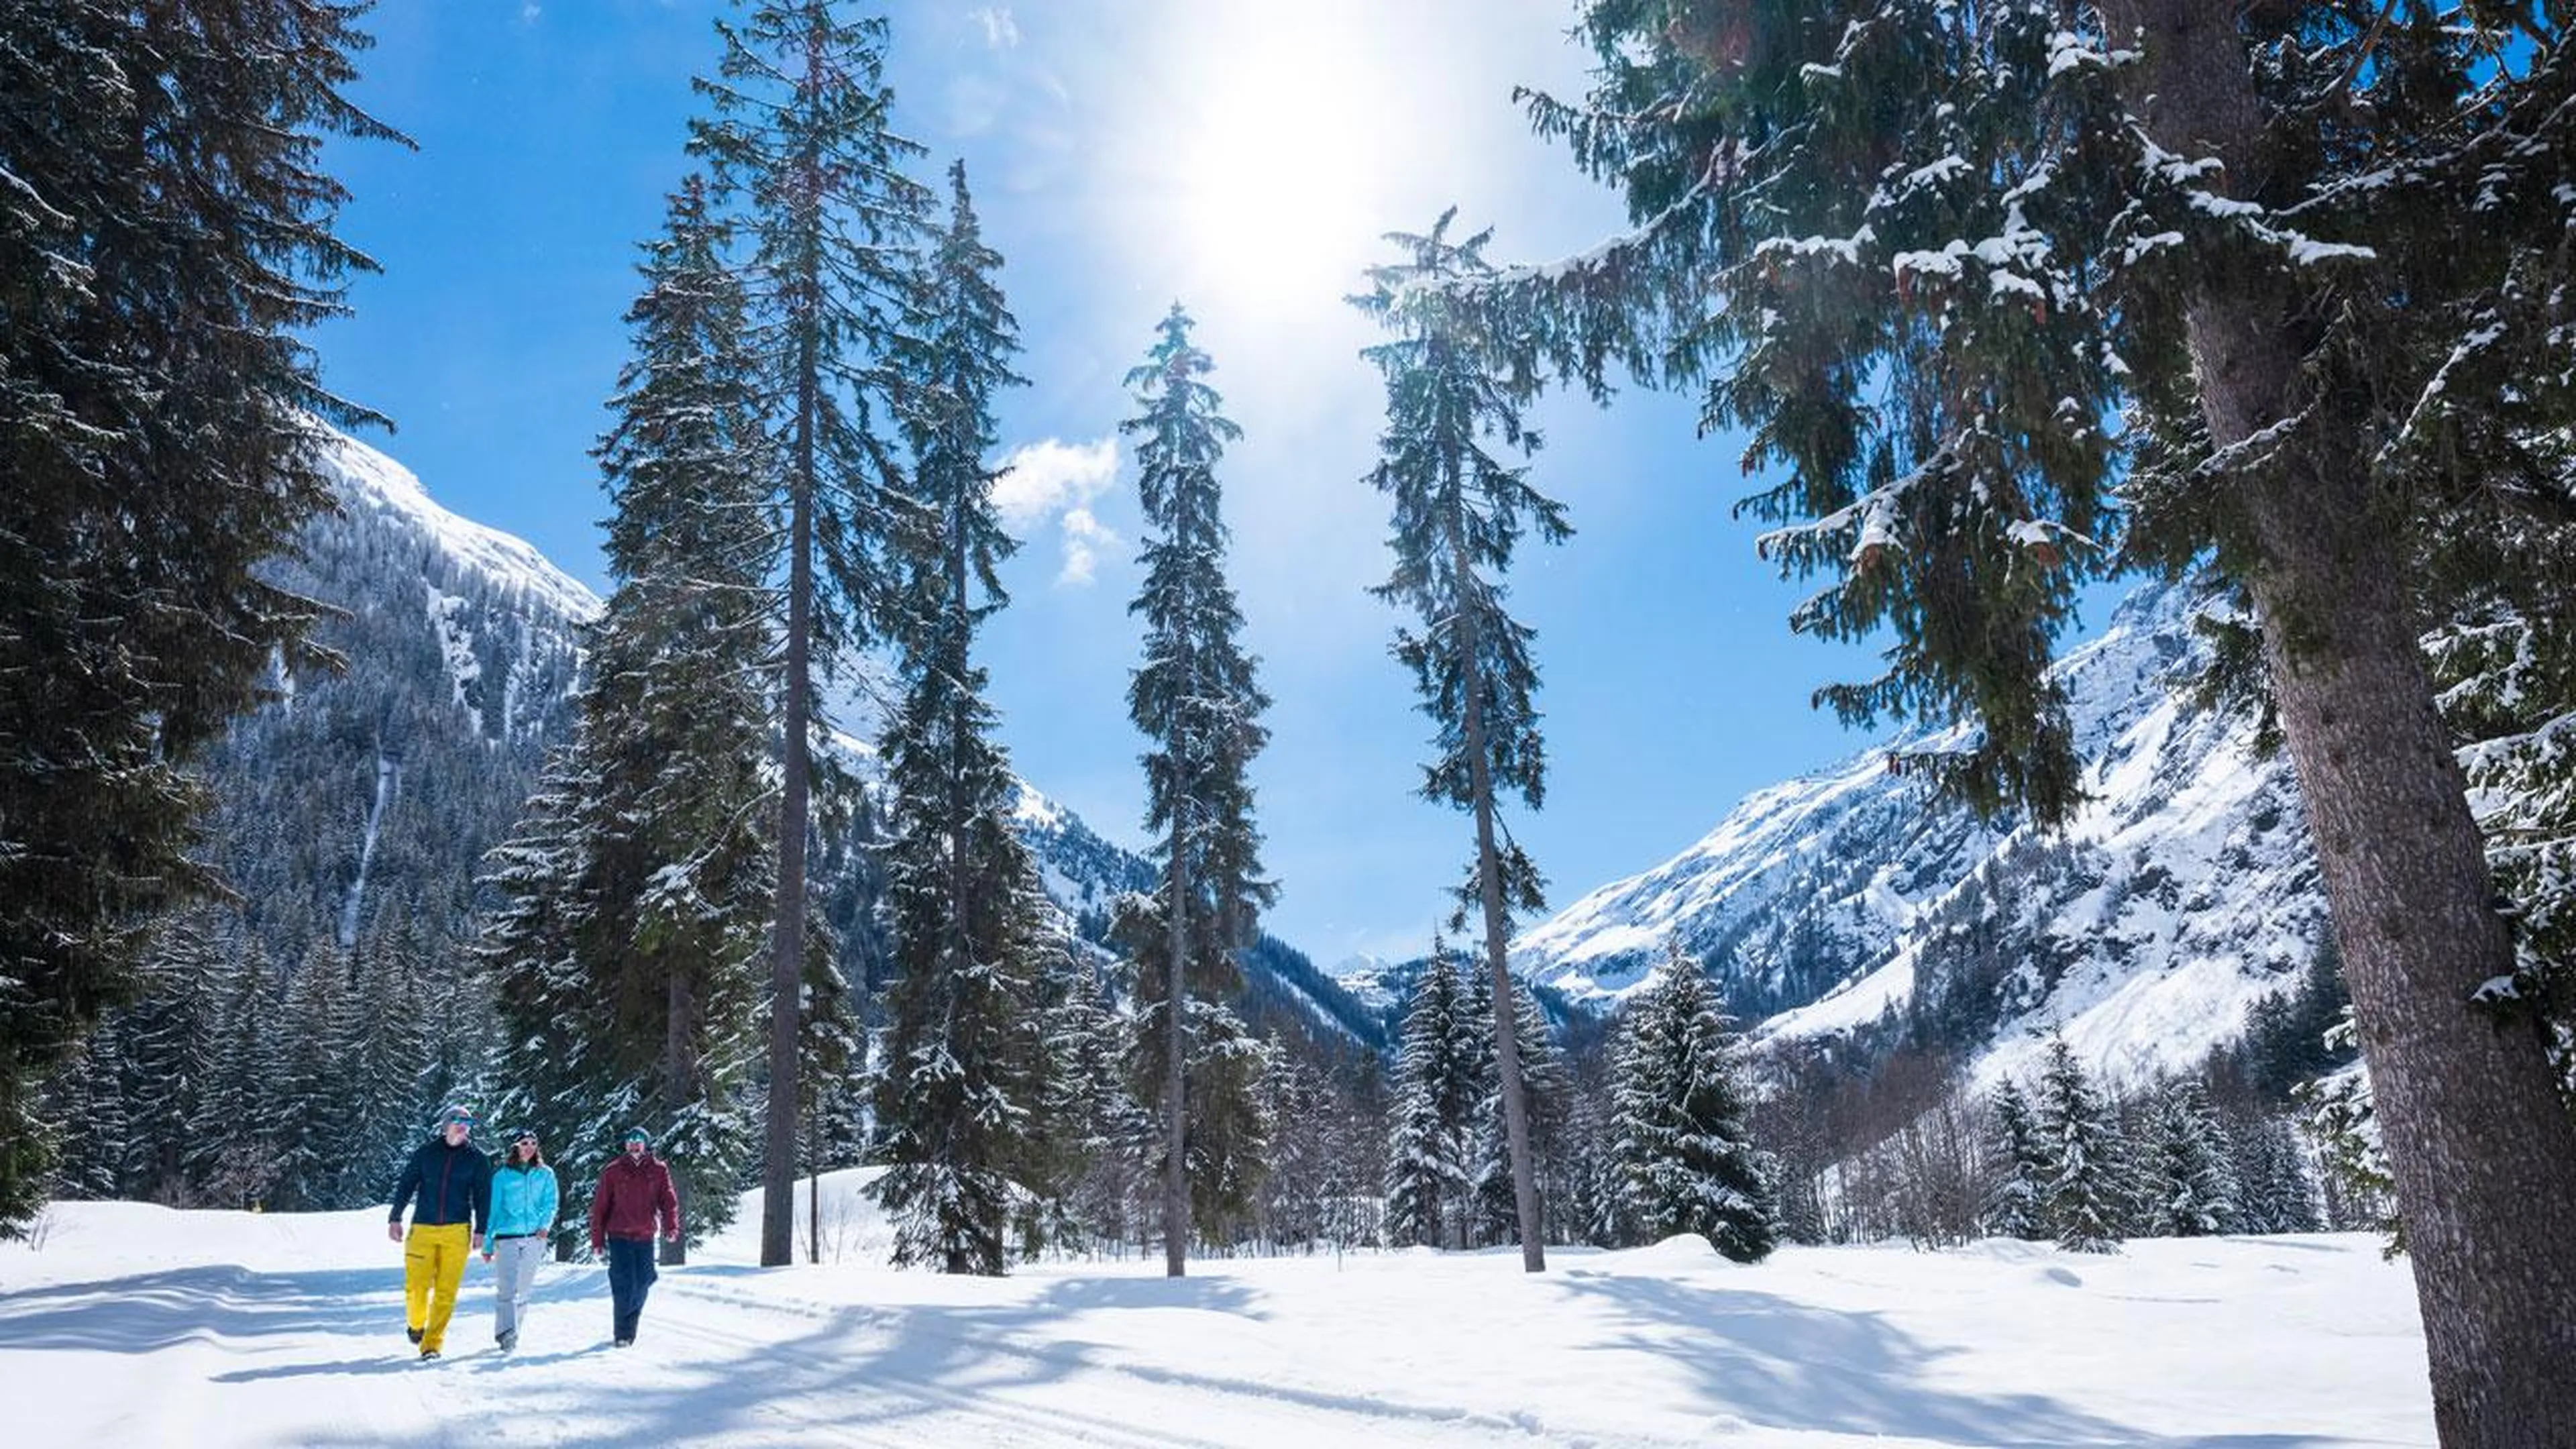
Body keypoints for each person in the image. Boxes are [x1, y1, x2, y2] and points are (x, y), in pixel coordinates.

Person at [386, 1104, 491, 1360]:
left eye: (468, 1122)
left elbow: (483, 1197)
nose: (463, 1125)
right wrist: (395, 1217)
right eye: (458, 1120)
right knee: (416, 1288)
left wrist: (481, 1230)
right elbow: (406, 1185)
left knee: (446, 1292)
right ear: (445, 1124)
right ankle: (416, 1324)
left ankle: (432, 1345)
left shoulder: (477, 1159)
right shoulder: (426, 1154)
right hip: (423, 1228)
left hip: (457, 1231)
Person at [588, 1126, 680, 1348]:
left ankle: (628, 1326)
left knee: (645, 1279)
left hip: (645, 1234)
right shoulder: (613, 1170)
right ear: (625, 1145)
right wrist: (597, 1240)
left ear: (646, 1144)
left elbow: (668, 1201)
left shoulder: (658, 1169)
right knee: (623, 1283)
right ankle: (624, 1334)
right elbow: (600, 1207)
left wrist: (671, 1227)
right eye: (630, 1141)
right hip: (619, 1235)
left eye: (639, 1141)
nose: (634, 1144)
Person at [482, 1126, 559, 1352]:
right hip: (507, 1238)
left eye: (533, 1144)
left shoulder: (546, 1174)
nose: (529, 1148)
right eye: (524, 1143)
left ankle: (514, 1331)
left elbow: (551, 1203)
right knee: (508, 1289)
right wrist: (487, 1243)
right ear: (516, 1146)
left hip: (535, 1238)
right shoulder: (502, 1176)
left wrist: (545, 1226)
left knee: (524, 1290)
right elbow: (492, 1211)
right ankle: (506, 1333)